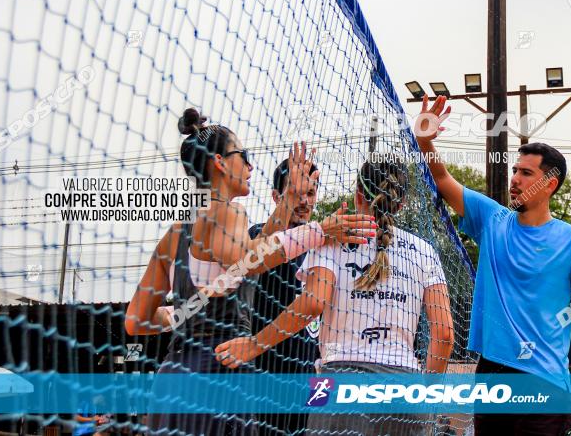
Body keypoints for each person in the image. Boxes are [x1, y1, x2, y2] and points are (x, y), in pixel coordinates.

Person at [125, 108, 376, 436]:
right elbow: (248, 261)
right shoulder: (229, 211)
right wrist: (320, 230)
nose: (250, 165)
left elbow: (136, 321)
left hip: (175, 375)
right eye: (244, 155)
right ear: (220, 162)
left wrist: (186, 310)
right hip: (218, 372)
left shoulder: (173, 235)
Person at [214, 155, 455, 436]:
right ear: (401, 204)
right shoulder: (425, 251)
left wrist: (254, 345)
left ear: (357, 195)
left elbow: (313, 303)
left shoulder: (331, 237)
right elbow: (445, 334)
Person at [413, 95, 571, 436]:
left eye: (526, 173)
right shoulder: (493, 220)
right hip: (491, 374)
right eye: (515, 170)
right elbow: (443, 179)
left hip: (545, 381)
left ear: (549, 184)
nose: (515, 178)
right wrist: (424, 140)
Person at [248, 157, 322, 436]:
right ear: (277, 196)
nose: (304, 200)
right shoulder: (261, 236)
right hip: (268, 375)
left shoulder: (322, 245)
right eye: (296, 191)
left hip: (315, 377)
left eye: (310, 193)